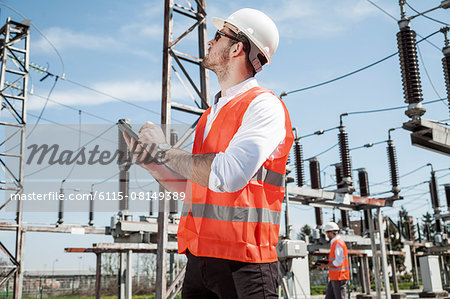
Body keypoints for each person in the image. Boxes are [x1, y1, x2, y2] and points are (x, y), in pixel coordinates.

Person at [125, 7, 294, 299]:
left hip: (246, 264)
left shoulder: (263, 106)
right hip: (199, 261)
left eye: (218, 35)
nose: (209, 42)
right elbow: (197, 189)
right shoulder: (209, 115)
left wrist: (164, 150)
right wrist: (153, 165)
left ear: (237, 47)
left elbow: (227, 176)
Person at [320, 222, 350, 299]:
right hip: (335, 277)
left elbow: (338, 262)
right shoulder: (335, 243)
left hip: (339, 277)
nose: (326, 235)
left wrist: (325, 265)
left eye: (327, 233)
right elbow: (336, 260)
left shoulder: (338, 243)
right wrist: (327, 261)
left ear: (330, 233)